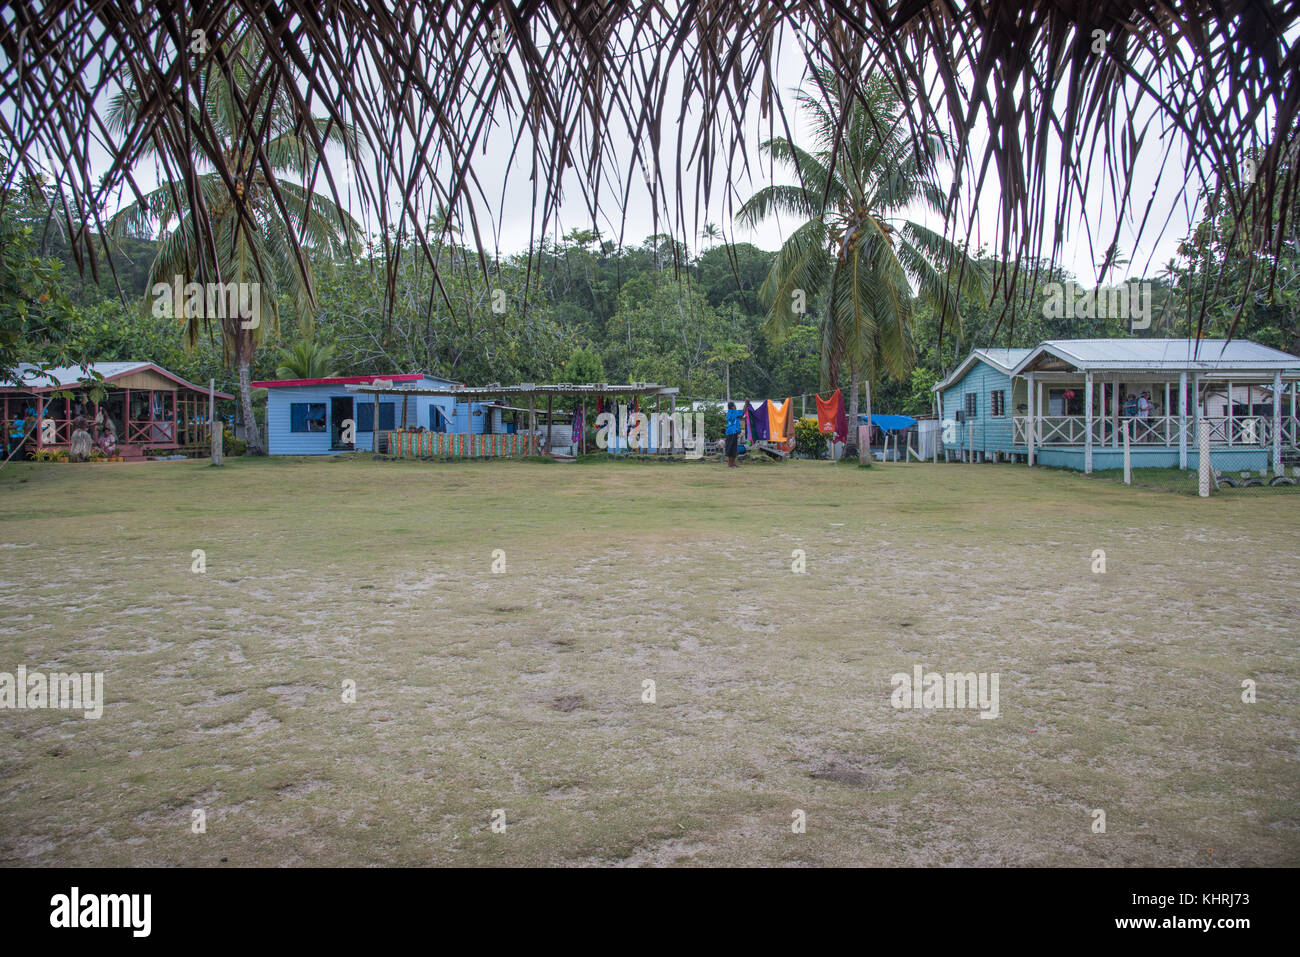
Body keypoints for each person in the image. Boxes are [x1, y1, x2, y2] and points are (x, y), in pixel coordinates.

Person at [724, 401, 743, 468]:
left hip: (733, 432)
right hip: (731, 432)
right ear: (732, 407)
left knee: (734, 448)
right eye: (734, 405)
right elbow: (742, 412)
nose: (735, 406)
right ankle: (730, 464)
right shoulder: (733, 412)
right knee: (731, 448)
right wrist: (746, 403)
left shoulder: (730, 412)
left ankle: (733, 463)